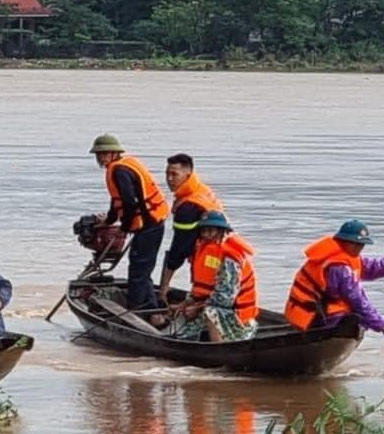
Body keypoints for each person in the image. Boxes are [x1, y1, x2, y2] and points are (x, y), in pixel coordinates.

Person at [284, 219, 384, 343]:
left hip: (320, 314)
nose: (359, 247)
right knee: (356, 318)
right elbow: (357, 299)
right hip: (315, 318)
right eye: (355, 243)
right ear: (343, 241)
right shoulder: (338, 267)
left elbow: (372, 267)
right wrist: (382, 327)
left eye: (361, 244)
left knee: (358, 319)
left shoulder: (349, 258)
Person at [89, 133, 169, 313]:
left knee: (138, 269)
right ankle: (151, 308)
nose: (100, 158)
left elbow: (129, 202)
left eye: (103, 154)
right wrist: (109, 220)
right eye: (98, 155)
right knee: (141, 267)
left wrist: (123, 228)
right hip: (151, 222)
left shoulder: (119, 171)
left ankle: (137, 311)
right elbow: (116, 199)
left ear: (113, 153)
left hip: (149, 224)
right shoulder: (121, 167)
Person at [168, 211, 258, 342]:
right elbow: (200, 289)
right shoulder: (203, 249)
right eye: (203, 231)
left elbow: (225, 298)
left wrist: (197, 308)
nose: (206, 235)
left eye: (210, 231)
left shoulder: (230, 258)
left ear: (221, 231)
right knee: (182, 331)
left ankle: (220, 351)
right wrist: (186, 303)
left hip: (237, 317)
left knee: (212, 312)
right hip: (212, 305)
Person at [157, 152, 224, 302]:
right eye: (167, 174)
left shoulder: (188, 206)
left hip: (209, 257)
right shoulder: (201, 190)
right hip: (222, 250)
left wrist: (164, 287)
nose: (169, 179)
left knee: (203, 292)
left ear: (188, 174)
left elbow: (180, 248)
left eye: (174, 174)